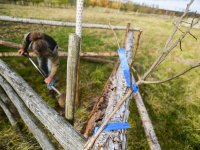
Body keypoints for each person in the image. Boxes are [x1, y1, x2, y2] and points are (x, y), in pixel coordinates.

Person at [18, 32, 60, 98]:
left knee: (50, 69)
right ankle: (45, 77)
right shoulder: (28, 37)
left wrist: (50, 77)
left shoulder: (52, 48)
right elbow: (25, 41)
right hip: (40, 51)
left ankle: (51, 87)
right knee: (41, 65)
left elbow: (55, 65)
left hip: (49, 52)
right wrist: (23, 49)